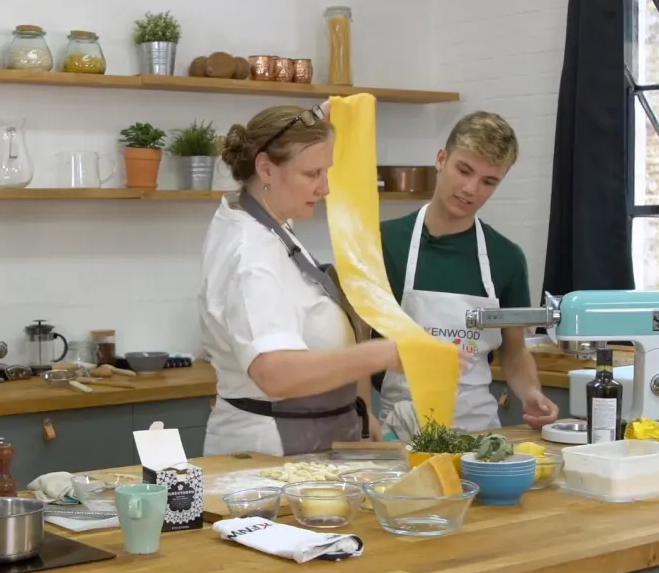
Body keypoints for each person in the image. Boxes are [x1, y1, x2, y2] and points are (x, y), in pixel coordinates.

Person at [198, 103, 400, 457]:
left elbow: (285, 142)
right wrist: (382, 354)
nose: (325, 187)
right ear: (265, 168)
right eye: (312, 173)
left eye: (326, 171)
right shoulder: (251, 255)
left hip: (315, 437)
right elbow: (274, 374)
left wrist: (320, 114)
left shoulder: (267, 219)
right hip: (268, 452)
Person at [378, 111, 559, 432]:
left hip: (477, 429)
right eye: (464, 170)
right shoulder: (384, 243)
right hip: (401, 429)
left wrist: (531, 392)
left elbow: (514, 351)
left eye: (489, 181)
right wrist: (361, 422)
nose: (471, 189)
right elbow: (354, 344)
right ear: (441, 159)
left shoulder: (507, 258)